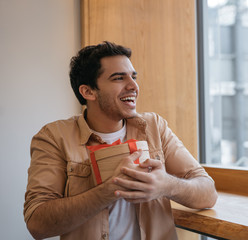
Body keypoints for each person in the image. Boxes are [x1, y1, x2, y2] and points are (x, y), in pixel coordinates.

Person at [24, 41, 217, 240]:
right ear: (88, 92)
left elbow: (208, 193)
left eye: (133, 77)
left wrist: (166, 185)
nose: (133, 86)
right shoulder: (54, 137)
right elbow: (37, 223)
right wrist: (107, 191)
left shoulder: (154, 126)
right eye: (118, 78)